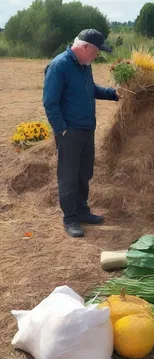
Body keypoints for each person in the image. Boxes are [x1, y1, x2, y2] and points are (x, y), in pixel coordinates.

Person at [43, 29, 120, 237]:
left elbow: (90, 89)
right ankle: (70, 218)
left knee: (84, 173)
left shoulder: (85, 65)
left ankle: (82, 211)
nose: (96, 56)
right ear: (85, 47)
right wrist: (62, 130)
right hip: (70, 132)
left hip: (87, 129)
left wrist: (114, 94)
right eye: (95, 52)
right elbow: (50, 103)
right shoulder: (60, 66)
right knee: (68, 176)